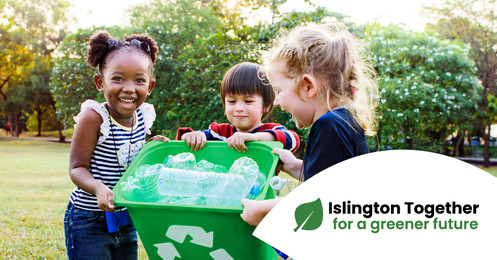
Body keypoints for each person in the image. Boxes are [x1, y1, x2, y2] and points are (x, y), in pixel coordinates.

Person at [241, 24, 378, 226]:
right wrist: (294, 166)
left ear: (308, 87)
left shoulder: (328, 125)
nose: (277, 102)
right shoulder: (344, 120)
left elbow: (324, 202)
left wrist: (262, 210)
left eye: (278, 91)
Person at [64, 30, 161, 259]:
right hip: (89, 220)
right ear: (100, 82)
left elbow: (132, 160)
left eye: (139, 80)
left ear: (150, 86)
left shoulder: (143, 117)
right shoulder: (94, 117)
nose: (129, 88)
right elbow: (77, 168)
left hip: (126, 219)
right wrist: (98, 187)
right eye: (118, 78)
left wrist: (152, 149)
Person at [174, 62, 300, 153]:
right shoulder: (220, 133)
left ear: (266, 106)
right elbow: (182, 139)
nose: (239, 108)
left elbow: (293, 140)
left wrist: (254, 137)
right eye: (232, 101)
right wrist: (192, 136)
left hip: (262, 189)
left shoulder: (271, 130)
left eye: (248, 101)